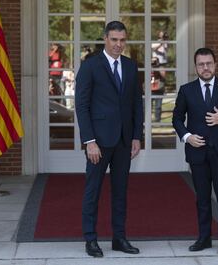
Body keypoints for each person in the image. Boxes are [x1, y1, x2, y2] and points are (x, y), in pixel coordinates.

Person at [75, 21, 143, 258]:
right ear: (105, 38)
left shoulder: (131, 66)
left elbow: (137, 103)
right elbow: (82, 106)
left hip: (124, 141)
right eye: (114, 39)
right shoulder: (90, 66)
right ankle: (90, 240)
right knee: (92, 191)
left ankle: (119, 238)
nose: (118, 44)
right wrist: (89, 141)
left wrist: (137, 136)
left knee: (120, 191)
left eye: (122, 40)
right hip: (99, 142)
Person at [172, 48, 218, 255]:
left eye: (209, 63)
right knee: (202, 199)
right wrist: (187, 137)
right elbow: (177, 118)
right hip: (197, 153)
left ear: (215, 64)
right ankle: (204, 238)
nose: (205, 67)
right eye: (201, 64)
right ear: (195, 67)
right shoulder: (187, 90)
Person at [150, 57, 166, 122]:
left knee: (158, 107)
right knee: (148, 106)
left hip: (159, 89)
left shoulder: (161, 68)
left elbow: (163, 76)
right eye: (152, 61)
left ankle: (157, 120)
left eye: (155, 61)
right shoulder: (149, 67)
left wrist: (157, 68)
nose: (153, 62)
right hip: (150, 89)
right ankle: (147, 119)